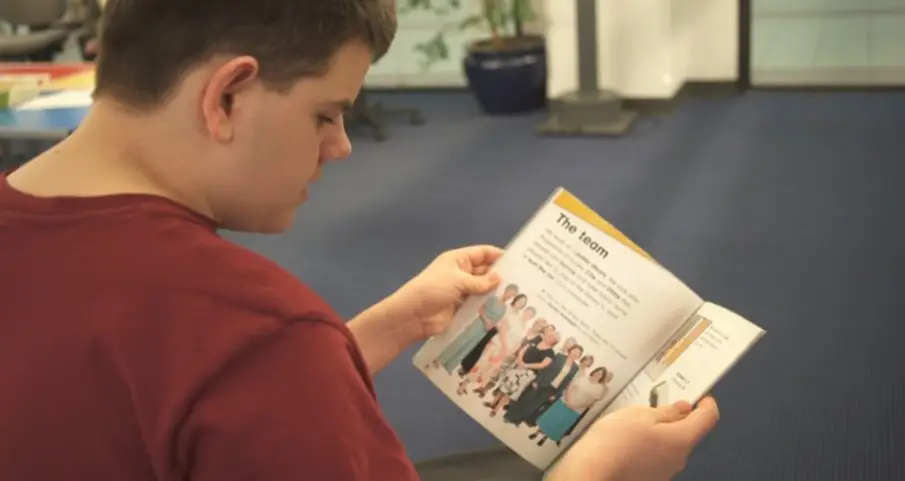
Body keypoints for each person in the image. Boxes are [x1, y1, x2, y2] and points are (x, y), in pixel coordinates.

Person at [0, 1, 720, 480]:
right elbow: (239, 367)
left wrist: (387, 325)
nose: (341, 146)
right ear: (226, 96)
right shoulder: (257, 328)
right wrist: (595, 473)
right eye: (326, 114)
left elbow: (190, 404)